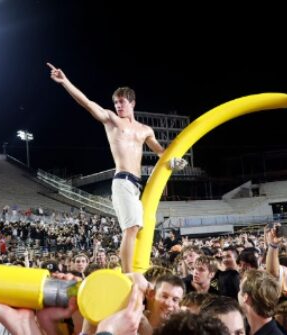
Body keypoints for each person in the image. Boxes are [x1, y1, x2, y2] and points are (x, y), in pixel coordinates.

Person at [47, 62, 187, 272]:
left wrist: (176, 161)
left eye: (121, 102)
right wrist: (65, 81)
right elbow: (86, 102)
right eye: (115, 102)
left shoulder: (145, 130)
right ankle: (128, 274)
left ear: (132, 103)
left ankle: (136, 269)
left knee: (139, 230)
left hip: (137, 185)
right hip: (121, 180)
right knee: (131, 229)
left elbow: (162, 153)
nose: (118, 106)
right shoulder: (111, 120)